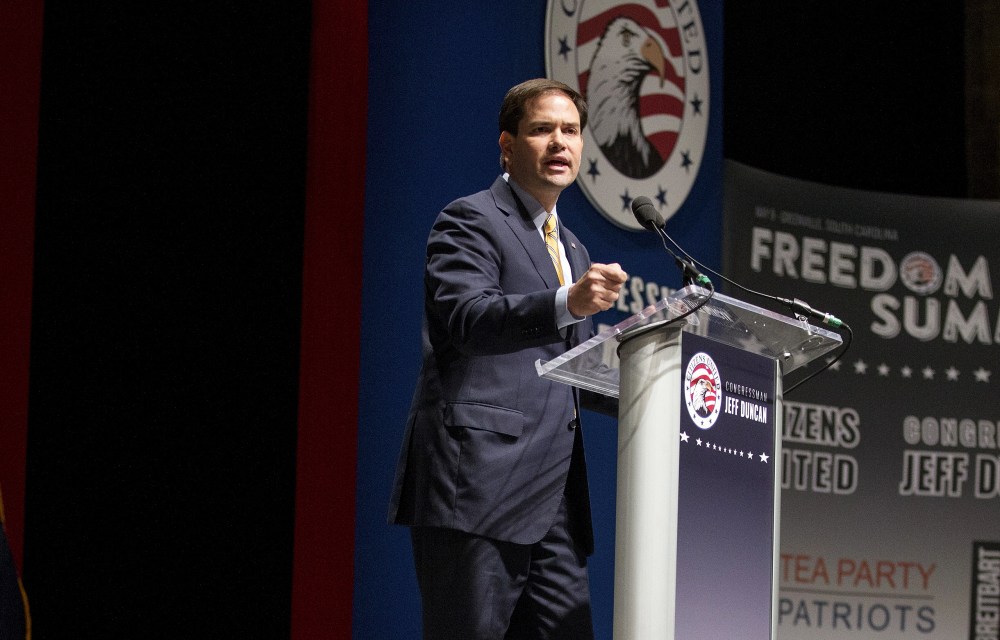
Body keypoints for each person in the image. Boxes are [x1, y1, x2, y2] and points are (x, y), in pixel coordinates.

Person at [388, 78, 627, 640]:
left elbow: (574, 371)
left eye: (570, 131)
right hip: (477, 488)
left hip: (554, 504)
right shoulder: (469, 221)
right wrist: (567, 300)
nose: (559, 143)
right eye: (542, 129)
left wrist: (655, 380)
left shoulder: (573, 248)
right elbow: (469, 319)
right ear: (507, 145)